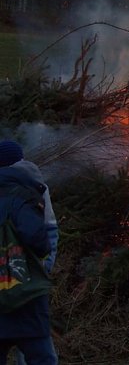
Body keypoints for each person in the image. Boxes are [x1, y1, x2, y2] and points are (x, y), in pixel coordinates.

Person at [0, 140, 58, 365]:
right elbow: (40, 238)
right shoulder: (27, 192)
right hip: (24, 287)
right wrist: (43, 269)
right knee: (41, 356)